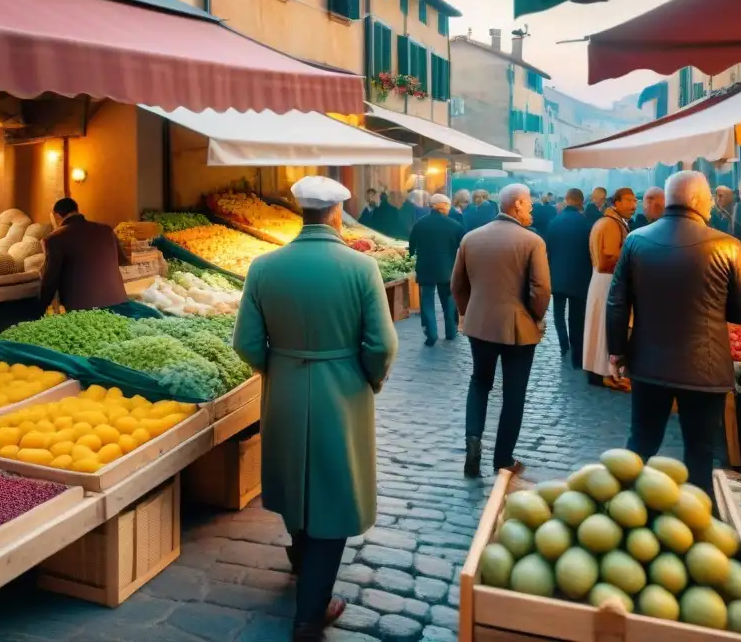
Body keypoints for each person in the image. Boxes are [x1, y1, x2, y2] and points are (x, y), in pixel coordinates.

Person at [232, 176, 397, 641]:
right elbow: (382, 344)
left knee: (294, 477)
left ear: (301, 212)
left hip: (284, 387)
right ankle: (309, 615)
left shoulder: (264, 266)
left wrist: (279, 367)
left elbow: (245, 342)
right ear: (336, 214)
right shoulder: (360, 268)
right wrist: (369, 377)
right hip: (341, 391)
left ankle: (300, 558)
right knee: (334, 490)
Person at [606, 171, 741, 500]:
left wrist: (616, 353)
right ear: (696, 201)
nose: (710, 205)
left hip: (648, 364)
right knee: (700, 450)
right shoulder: (727, 245)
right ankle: (697, 520)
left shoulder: (636, 240)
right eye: (707, 199)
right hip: (704, 369)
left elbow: (617, 303)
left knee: (641, 442)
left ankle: (619, 507)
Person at [452, 184, 551, 477]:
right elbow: (542, 288)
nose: (532, 208)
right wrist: (536, 316)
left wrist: (467, 312)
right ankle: (503, 458)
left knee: (479, 382)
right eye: (529, 203)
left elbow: (457, 284)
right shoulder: (532, 241)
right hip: (518, 327)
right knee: (514, 392)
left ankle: (473, 441)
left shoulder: (471, 238)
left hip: (480, 325)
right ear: (517, 204)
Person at [583, 187, 638, 390]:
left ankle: (604, 372)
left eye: (635, 201)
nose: (634, 205)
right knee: (607, 329)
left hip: (603, 281)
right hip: (607, 281)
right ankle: (606, 373)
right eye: (630, 200)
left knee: (603, 328)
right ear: (617, 202)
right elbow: (607, 260)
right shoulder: (609, 224)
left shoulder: (609, 222)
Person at [38, 198, 130, 313]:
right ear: (76, 210)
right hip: (118, 301)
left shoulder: (54, 238)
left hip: (83, 309)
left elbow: (51, 279)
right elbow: (121, 261)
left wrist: (40, 308)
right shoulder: (107, 230)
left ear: (56, 215)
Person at [544, 189, 592, 369]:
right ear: (580, 202)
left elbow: (548, 250)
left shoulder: (554, 222)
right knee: (576, 317)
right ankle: (577, 353)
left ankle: (563, 344)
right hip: (580, 277)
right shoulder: (586, 223)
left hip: (557, 275)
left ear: (566, 200)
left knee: (558, 313)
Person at [409, 194, 464, 346]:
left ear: (431, 207)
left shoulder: (420, 223)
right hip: (447, 269)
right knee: (448, 301)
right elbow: (464, 246)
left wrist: (414, 253)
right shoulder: (455, 225)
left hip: (425, 268)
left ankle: (431, 334)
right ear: (445, 207)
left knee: (427, 301)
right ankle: (450, 332)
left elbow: (412, 247)